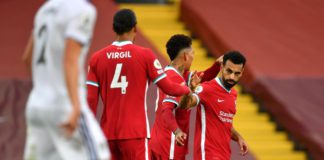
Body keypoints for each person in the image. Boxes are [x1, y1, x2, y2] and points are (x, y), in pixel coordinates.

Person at [86, 9, 191, 160]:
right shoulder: (144, 55)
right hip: (135, 133)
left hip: (107, 134)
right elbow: (169, 88)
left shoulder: (96, 58)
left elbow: (90, 102)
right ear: (135, 27)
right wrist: (187, 88)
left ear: (114, 28)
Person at [22, 0, 110, 159]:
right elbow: (70, 59)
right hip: (65, 105)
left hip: (36, 106)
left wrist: (44, 90)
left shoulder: (44, 9)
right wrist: (75, 106)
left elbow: (27, 58)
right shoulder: (82, 10)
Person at [149, 34, 223, 160]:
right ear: (185, 56)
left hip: (160, 141)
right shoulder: (174, 78)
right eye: (192, 53)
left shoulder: (178, 75)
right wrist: (177, 131)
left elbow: (203, 78)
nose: (193, 57)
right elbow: (166, 110)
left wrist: (217, 65)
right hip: (170, 143)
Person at [180, 51, 249, 160]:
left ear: (242, 72)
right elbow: (184, 105)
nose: (232, 77)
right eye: (229, 71)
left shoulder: (233, 94)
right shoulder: (207, 88)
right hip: (207, 154)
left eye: (237, 73)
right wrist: (190, 90)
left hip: (224, 154)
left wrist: (238, 138)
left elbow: (225, 123)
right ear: (222, 66)